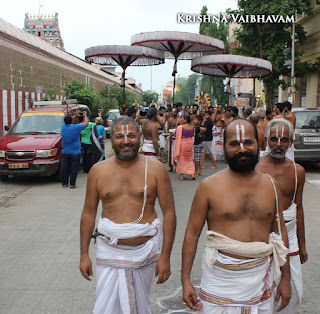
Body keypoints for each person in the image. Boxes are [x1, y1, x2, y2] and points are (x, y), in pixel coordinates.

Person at [182, 119, 291, 313]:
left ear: (259, 144)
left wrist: (286, 279)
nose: (242, 149)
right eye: (234, 144)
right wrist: (186, 280)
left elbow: (280, 235)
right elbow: (191, 234)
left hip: (261, 280)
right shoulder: (208, 186)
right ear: (224, 147)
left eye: (248, 142)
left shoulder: (271, 185)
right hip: (220, 283)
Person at [80, 117, 176, 313]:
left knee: (139, 305)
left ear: (139, 137)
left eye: (131, 135)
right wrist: (83, 254)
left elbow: (169, 213)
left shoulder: (156, 169)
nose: (126, 141)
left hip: (145, 253)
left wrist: (165, 256)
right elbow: (88, 213)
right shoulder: (98, 171)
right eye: (119, 136)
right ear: (111, 139)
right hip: (109, 252)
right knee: (107, 307)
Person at [257, 118, 307, 314]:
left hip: (290, 238)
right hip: (261, 236)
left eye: (284, 140)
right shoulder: (255, 167)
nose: (278, 144)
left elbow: (299, 208)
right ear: (266, 140)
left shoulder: (298, 172)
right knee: (261, 290)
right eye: (274, 139)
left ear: (291, 142)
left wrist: (302, 245)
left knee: (293, 293)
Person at [61, 111, 88, 188]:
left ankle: (64, 183)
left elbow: (68, 120)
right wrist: (85, 116)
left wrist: (74, 115)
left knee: (65, 168)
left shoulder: (63, 126)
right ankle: (72, 184)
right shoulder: (75, 127)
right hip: (75, 152)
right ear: (72, 121)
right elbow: (86, 124)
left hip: (65, 151)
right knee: (74, 168)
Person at [174, 114, 195, 180]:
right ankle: (192, 174)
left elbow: (176, 133)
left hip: (183, 143)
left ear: (185, 120)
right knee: (189, 158)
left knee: (181, 158)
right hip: (190, 143)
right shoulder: (192, 127)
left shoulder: (180, 127)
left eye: (181, 118)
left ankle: (182, 175)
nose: (180, 119)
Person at [167, 108, 179, 172]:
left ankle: (177, 167)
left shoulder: (179, 120)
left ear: (177, 112)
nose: (173, 113)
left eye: (175, 112)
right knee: (170, 153)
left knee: (176, 152)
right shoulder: (169, 120)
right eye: (173, 112)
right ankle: (171, 166)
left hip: (177, 137)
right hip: (171, 138)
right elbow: (167, 128)